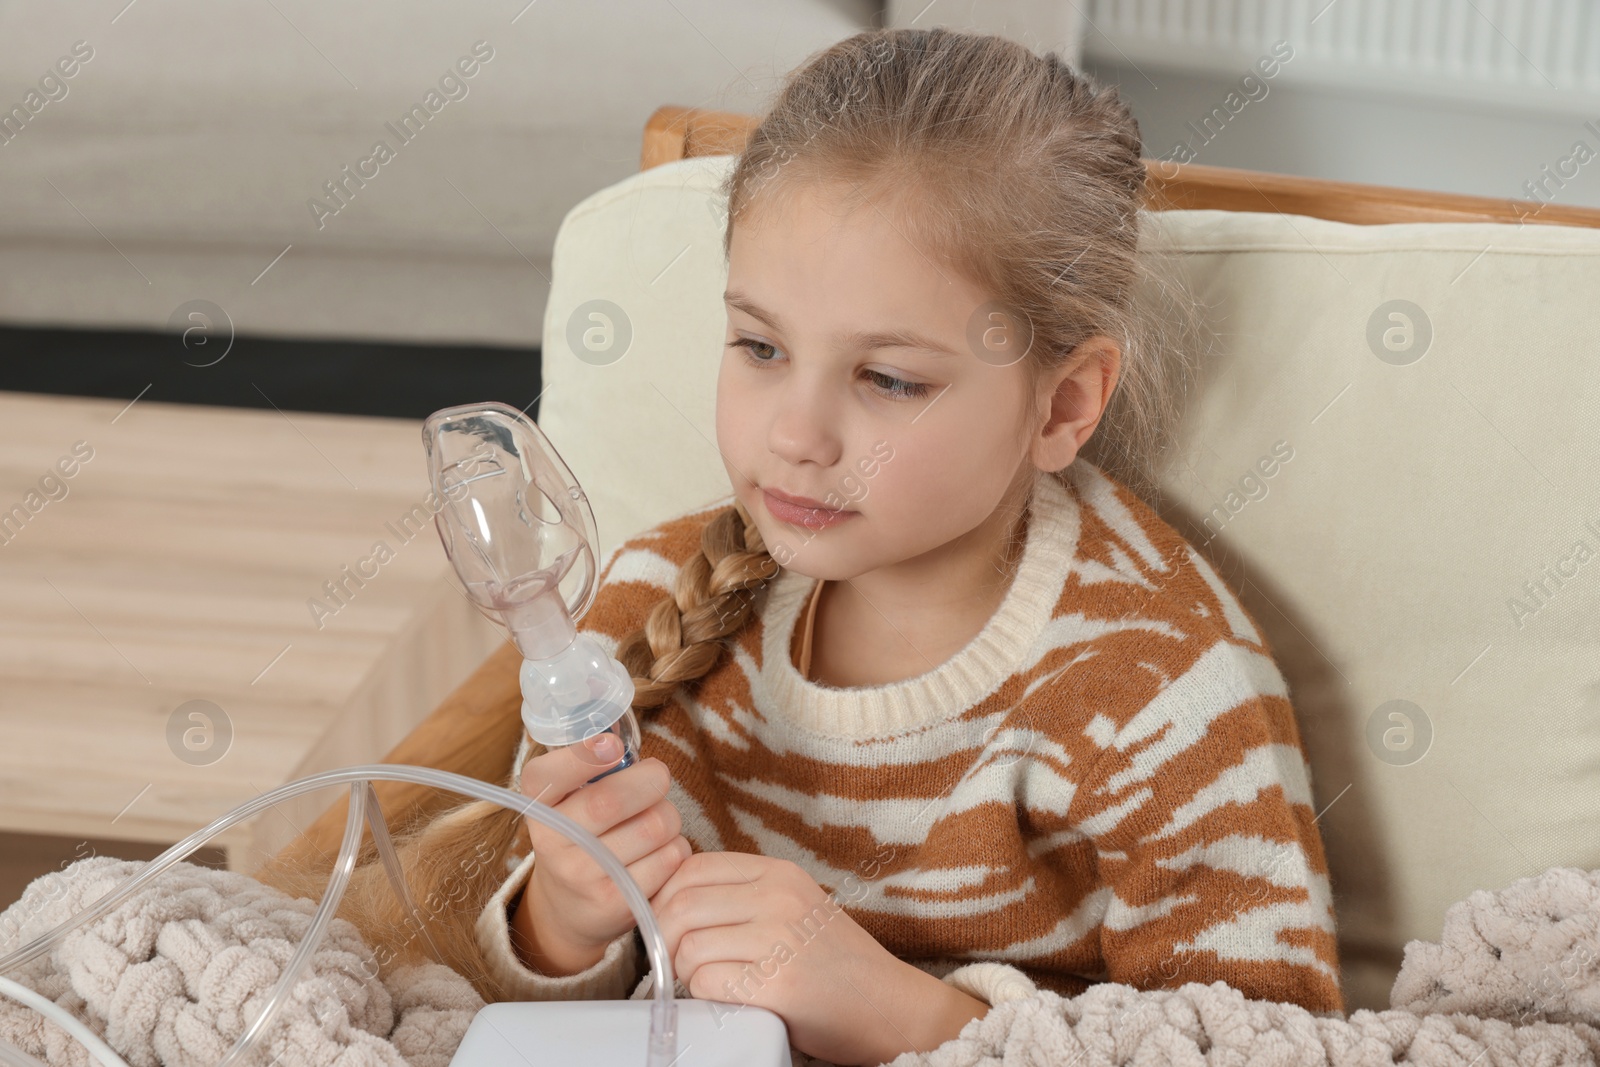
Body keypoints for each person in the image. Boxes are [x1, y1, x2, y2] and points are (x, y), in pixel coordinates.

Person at [262, 26, 1344, 1067]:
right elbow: (525, 999)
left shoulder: (1158, 694)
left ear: (1061, 404)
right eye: (760, 346)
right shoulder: (651, 603)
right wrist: (564, 917)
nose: (794, 433)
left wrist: (899, 1014)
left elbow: (1266, 1043)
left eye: (887, 378)